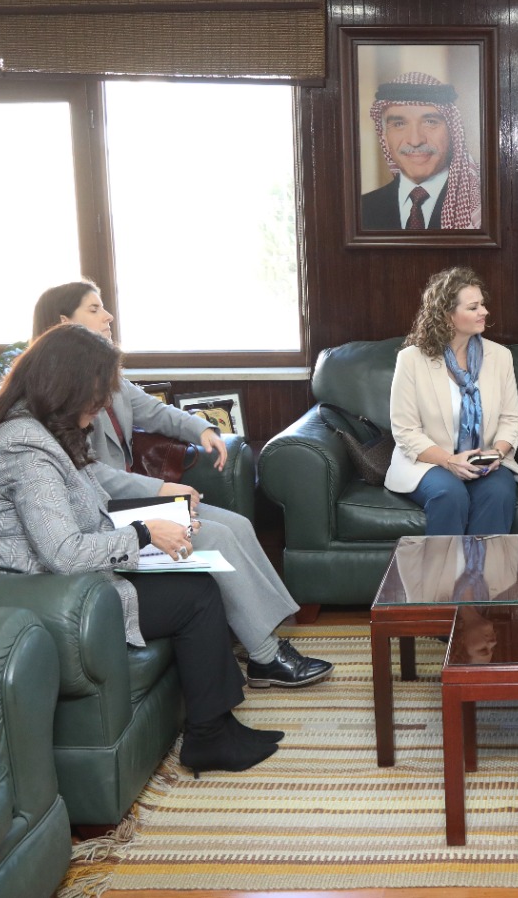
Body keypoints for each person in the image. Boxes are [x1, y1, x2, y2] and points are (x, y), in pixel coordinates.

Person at [0, 324, 282, 776]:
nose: (101, 405)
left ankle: (217, 727)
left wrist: (164, 517)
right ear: (68, 384)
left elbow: (88, 510)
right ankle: (210, 736)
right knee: (194, 598)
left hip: (62, 582)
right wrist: (145, 534)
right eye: (98, 392)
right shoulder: (25, 448)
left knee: (195, 584)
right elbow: (63, 552)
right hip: (35, 593)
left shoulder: (43, 429)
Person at [31, 280, 331, 690]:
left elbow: (155, 412)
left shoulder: (105, 377)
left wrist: (202, 429)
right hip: (102, 512)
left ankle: (266, 637)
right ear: (63, 323)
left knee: (238, 525)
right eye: (94, 309)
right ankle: (265, 657)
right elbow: (87, 473)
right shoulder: (57, 393)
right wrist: (157, 489)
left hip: (132, 503)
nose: (109, 316)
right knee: (217, 537)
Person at [387, 267, 518, 534]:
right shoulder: (411, 360)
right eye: (473, 307)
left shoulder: (500, 356)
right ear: (447, 315)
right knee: (450, 494)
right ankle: (445, 565)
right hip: (428, 462)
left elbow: (511, 418)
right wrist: (450, 461)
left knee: (499, 493)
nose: (484, 312)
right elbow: (405, 430)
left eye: (482, 304)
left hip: (483, 461)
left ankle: (486, 564)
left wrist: (496, 453)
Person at [360, 71, 482, 231]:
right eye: (399, 124)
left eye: (430, 122)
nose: (415, 141)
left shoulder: (482, 208)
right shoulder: (361, 210)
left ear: (452, 131)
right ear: (385, 137)